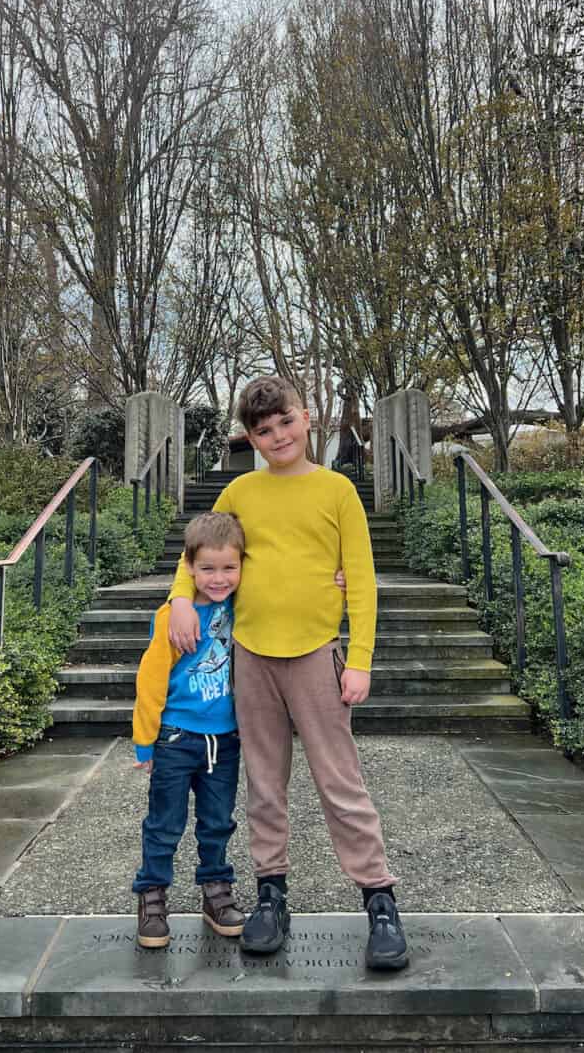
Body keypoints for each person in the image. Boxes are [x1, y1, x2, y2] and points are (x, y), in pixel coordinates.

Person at [167, 375, 408, 970]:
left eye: (285, 423)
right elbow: (195, 553)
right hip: (250, 656)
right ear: (250, 437)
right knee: (264, 783)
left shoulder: (337, 490)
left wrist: (360, 659)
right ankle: (271, 893)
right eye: (263, 430)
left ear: (307, 418)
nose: (277, 436)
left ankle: (379, 898)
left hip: (316, 654)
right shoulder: (240, 493)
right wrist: (178, 598)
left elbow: (362, 576)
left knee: (340, 782)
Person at [131, 511, 246, 949]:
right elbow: (151, 680)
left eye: (229, 568)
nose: (218, 579)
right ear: (189, 567)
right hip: (176, 737)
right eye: (207, 568)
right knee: (164, 823)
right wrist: (145, 740)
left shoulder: (242, 606)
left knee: (218, 822)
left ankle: (216, 890)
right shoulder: (172, 618)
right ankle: (152, 893)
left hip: (226, 738)